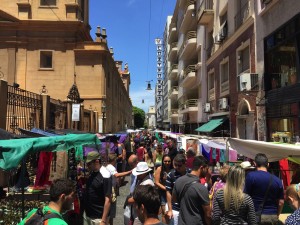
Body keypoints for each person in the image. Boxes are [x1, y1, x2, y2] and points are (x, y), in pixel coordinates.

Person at [244, 153, 284, 225]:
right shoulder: (278, 180)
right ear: (268, 164)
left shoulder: (250, 176)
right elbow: (281, 202)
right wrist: (277, 214)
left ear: (254, 163)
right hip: (272, 215)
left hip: (255, 215)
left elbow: (245, 197)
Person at [173, 156, 211, 225]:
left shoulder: (178, 181)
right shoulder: (201, 188)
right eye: (207, 169)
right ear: (202, 168)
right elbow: (208, 214)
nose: (207, 171)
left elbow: (175, 200)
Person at [83, 151, 112, 225]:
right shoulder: (93, 173)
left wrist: (103, 220)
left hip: (98, 218)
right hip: (89, 215)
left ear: (96, 161)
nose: (87, 166)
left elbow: (108, 199)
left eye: (89, 163)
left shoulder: (105, 175)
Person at [106, 153, 132, 225]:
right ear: (114, 160)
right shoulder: (111, 167)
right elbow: (117, 175)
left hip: (112, 188)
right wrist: (129, 172)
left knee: (112, 209)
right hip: (112, 189)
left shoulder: (108, 167)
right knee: (112, 209)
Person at [166, 154, 190, 225]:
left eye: (179, 165)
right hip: (175, 209)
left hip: (188, 208)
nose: (177, 167)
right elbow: (168, 192)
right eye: (175, 165)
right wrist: (170, 210)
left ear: (185, 164)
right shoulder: (171, 175)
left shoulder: (190, 173)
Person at [154, 155, 172, 224]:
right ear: (162, 161)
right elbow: (156, 182)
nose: (167, 163)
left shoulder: (173, 169)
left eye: (169, 161)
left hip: (171, 193)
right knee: (164, 213)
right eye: (165, 161)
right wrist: (166, 188)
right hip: (162, 193)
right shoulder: (159, 169)